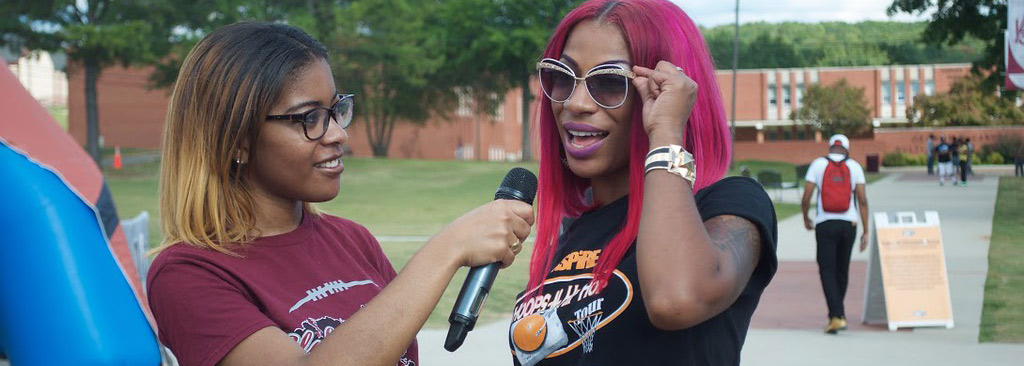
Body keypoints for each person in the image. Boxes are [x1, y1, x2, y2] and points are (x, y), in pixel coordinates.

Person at [146, 22, 534, 366]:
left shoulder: (352, 240)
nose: (337, 134)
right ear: (237, 140)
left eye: (336, 110)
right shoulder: (188, 275)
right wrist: (447, 249)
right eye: (309, 118)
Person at [508, 1, 778, 365]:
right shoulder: (572, 235)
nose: (576, 102)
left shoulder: (728, 206)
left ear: (671, 95)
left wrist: (666, 132)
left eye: (609, 82)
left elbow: (676, 299)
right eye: (562, 77)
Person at [801, 134, 869, 334]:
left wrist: (805, 217)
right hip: (849, 224)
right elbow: (863, 201)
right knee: (842, 269)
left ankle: (836, 316)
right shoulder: (855, 166)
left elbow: (806, 197)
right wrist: (866, 231)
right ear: (847, 148)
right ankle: (838, 314)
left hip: (825, 224)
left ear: (830, 147)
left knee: (826, 270)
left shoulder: (818, 164)